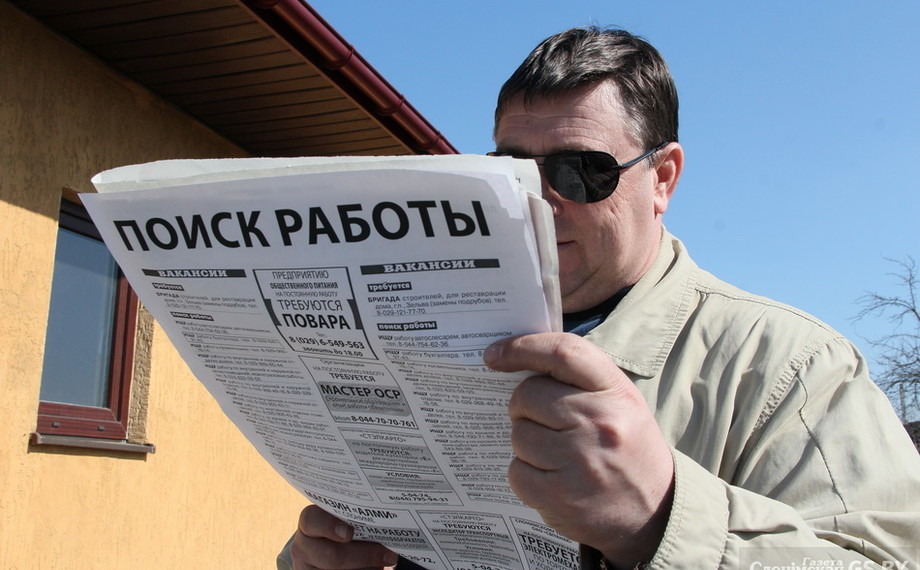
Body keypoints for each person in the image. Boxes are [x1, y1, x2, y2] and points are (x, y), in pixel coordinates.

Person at [279, 27, 920, 570]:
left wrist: (659, 517)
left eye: (580, 171)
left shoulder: (790, 367)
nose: (540, 200)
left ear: (662, 178)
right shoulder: (427, 333)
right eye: (514, 171)